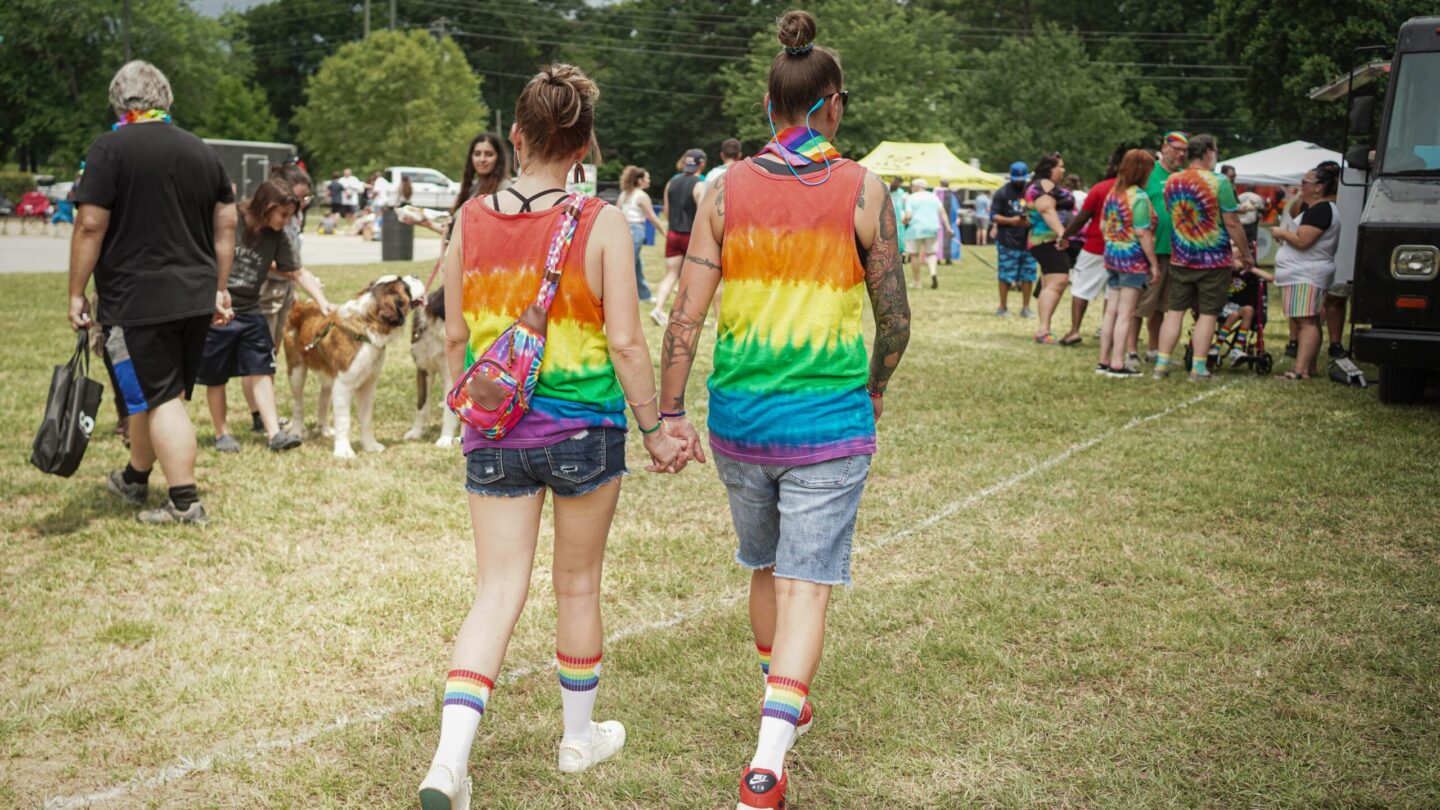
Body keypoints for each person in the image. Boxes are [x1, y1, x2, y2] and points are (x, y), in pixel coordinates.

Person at [656, 12, 911, 808]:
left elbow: (687, 316)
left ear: (771, 106)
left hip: (741, 417)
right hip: (829, 420)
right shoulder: (866, 189)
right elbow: (896, 320)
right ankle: (768, 758)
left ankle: (781, 696)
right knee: (807, 582)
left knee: (767, 567)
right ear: (832, 105)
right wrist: (874, 385)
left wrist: (670, 411)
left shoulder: (721, 188)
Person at [418, 63, 684, 809]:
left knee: (495, 591)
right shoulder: (601, 223)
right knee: (577, 584)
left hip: (493, 426)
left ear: (514, 135)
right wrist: (658, 429)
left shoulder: (469, 219)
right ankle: (577, 737)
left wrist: (466, 408)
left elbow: (457, 334)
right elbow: (628, 344)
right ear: (585, 144)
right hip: (584, 431)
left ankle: (448, 764)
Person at [67, 60, 237, 525]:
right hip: (196, 295)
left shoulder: (109, 148)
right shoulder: (202, 150)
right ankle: (134, 478)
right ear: (166, 100)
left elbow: (89, 225)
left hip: (136, 298)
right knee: (160, 392)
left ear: (119, 103)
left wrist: (77, 293)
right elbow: (226, 225)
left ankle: (184, 502)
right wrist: (219, 289)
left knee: (160, 398)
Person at [199, 178, 313, 453]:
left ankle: (274, 434)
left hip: (250, 309)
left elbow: (294, 271)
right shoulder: (231, 218)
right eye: (283, 214)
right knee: (216, 375)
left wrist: (319, 297)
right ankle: (221, 433)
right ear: (268, 206)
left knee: (262, 368)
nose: (286, 221)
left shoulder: (277, 236)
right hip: (217, 309)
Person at [1154, 134, 1255, 381]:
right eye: (1215, 152)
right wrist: (1246, 253)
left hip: (1180, 257)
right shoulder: (1219, 182)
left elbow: (1171, 212)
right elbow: (1232, 222)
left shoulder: (1172, 181)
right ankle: (1198, 368)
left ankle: (1161, 365)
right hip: (1214, 260)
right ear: (1209, 152)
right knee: (1208, 314)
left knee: (1174, 312)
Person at [244, 161, 333, 435]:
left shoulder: (287, 222)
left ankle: (265, 417)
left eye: (307, 198)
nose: (302, 203)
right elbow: (280, 266)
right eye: (299, 197)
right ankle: (259, 416)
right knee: (255, 360)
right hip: (256, 298)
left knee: (266, 358)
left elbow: (294, 268)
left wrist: (320, 299)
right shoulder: (243, 222)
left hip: (283, 293)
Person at [1265, 163, 1340, 379]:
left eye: (1306, 182)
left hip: (1305, 274)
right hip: (1304, 272)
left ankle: (1300, 370)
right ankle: (1309, 367)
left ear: (1319, 187)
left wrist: (1281, 231)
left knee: (1305, 322)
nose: (1301, 186)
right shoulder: (1317, 209)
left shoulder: (1322, 209)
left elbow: (1303, 240)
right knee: (1309, 320)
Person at [1097, 149, 1159, 377]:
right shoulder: (1139, 197)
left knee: (1111, 312)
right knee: (1126, 313)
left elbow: (1103, 226)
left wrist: (1114, 242)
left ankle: (1103, 360)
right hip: (1132, 261)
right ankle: (1117, 363)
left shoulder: (1113, 193)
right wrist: (1153, 264)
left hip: (1112, 257)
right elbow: (1142, 233)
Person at [1059, 145, 1127, 349]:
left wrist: (1065, 235)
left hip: (1096, 246)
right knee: (1112, 292)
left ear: (1115, 165)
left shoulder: (1101, 188)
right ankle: (1107, 329)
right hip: (1123, 250)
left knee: (1081, 289)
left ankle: (1074, 330)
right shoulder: (1135, 191)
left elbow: (1082, 217)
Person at [1138, 132, 1188, 361]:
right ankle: (1130, 351)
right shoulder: (1149, 174)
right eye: (1177, 149)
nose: (1181, 154)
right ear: (1164, 147)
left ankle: (1154, 349)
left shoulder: (1182, 176)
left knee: (1162, 306)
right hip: (1150, 250)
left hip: (1175, 250)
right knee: (1140, 305)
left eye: (1184, 151)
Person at [649, 148, 706, 325]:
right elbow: (702, 214)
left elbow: (666, 210)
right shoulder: (699, 184)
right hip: (691, 236)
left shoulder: (671, 182)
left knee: (670, 274)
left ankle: (658, 309)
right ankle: (689, 315)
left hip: (673, 233)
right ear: (702, 164)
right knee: (693, 277)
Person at [1026, 153, 1078, 344]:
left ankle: (1044, 328)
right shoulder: (1043, 185)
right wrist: (1061, 234)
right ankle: (1043, 330)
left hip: (1048, 239)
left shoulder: (1044, 185)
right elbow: (1047, 209)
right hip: (1047, 240)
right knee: (1058, 281)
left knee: (1052, 282)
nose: (1063, 170)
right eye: (1060, 166)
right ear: (1050, 168)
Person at [618, 165, 667, 303]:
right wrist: (664, 232)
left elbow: (617, 211)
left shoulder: (624, 194)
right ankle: (623, 296)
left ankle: (645, 295)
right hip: (636, 231)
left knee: (636, 264)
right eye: (647, 178)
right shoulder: (642, 196)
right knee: (628, 265)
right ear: (640, 181)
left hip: (625, 230)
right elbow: (652, 217)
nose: (649, 180)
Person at [903, 177, 945, 289]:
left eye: (912, 186)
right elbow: (942, 212)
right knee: (931, 253)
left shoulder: (911, 198)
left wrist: (904, 221)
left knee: (914, 255)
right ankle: (933, 273)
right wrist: (949, 228)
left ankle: (917, 282)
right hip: (932, 228)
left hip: (916, 228)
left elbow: (908, 215)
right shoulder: (933, 196)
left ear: (916, 187)